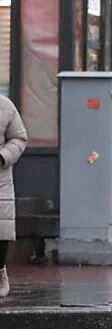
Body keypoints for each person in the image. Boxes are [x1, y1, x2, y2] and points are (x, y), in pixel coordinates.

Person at [0, 95, 28, 297]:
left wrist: (3, 157)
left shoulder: (5, 106)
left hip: (0, 179)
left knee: (1, 229)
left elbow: (19, 138)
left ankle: (0, 271)